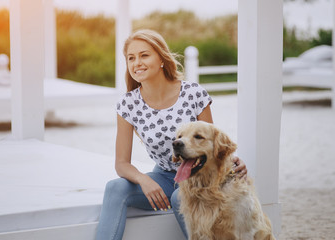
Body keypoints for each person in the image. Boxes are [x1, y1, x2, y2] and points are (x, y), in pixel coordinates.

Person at [95, 29, 247, 240]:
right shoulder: (128, 104)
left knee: (180, 197)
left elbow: (210, 144)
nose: (136, 62)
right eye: (131, 58)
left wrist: (230, 161)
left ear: (161, 59)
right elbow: (121, 164)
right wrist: (143, 180)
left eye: (144, 55)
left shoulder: (193, 93)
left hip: (200, 176)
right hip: (165, 176)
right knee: (115, 188)